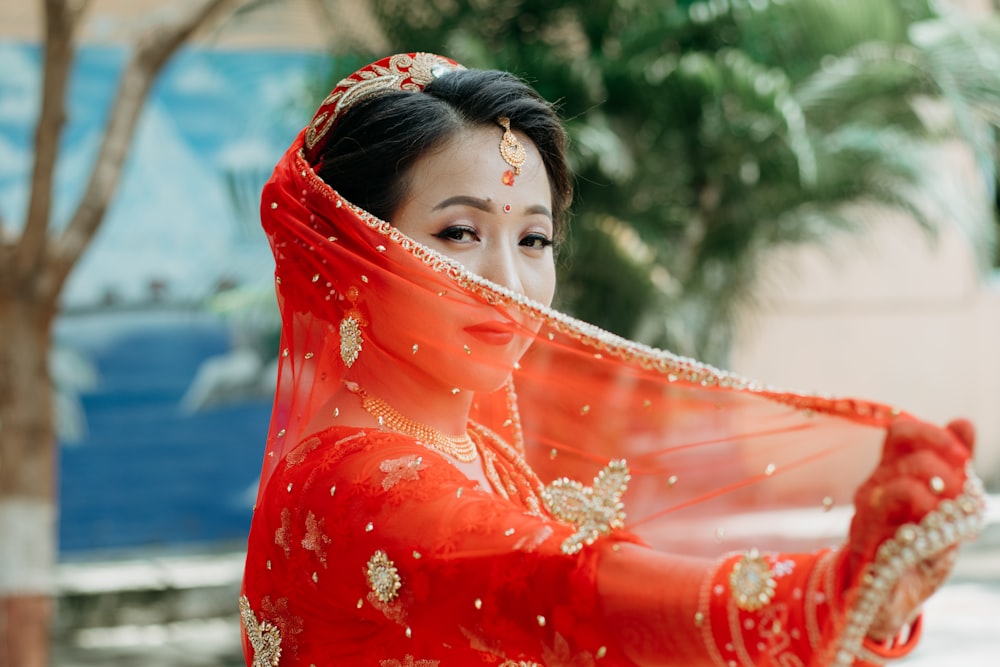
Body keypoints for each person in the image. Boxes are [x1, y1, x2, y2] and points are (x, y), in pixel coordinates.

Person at [240, 53, 985, 667]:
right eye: (460, 232)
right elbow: (574, 591)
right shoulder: (350, 482)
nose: (508, 285)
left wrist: (870, 607)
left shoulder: (479, 449)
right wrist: (828, 590)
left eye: (534, 240)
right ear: (350, 254)